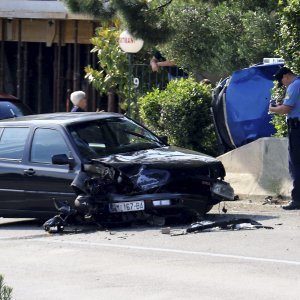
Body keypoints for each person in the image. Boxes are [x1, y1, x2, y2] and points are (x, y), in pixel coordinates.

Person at [269, 67, 300, 210]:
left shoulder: (295, 85)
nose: (284, 84)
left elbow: (285, 109)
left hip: (297, 128)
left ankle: (297, 199)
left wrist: (272, 108)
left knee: (296, 164)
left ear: (287, 76)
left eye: (283, 81)